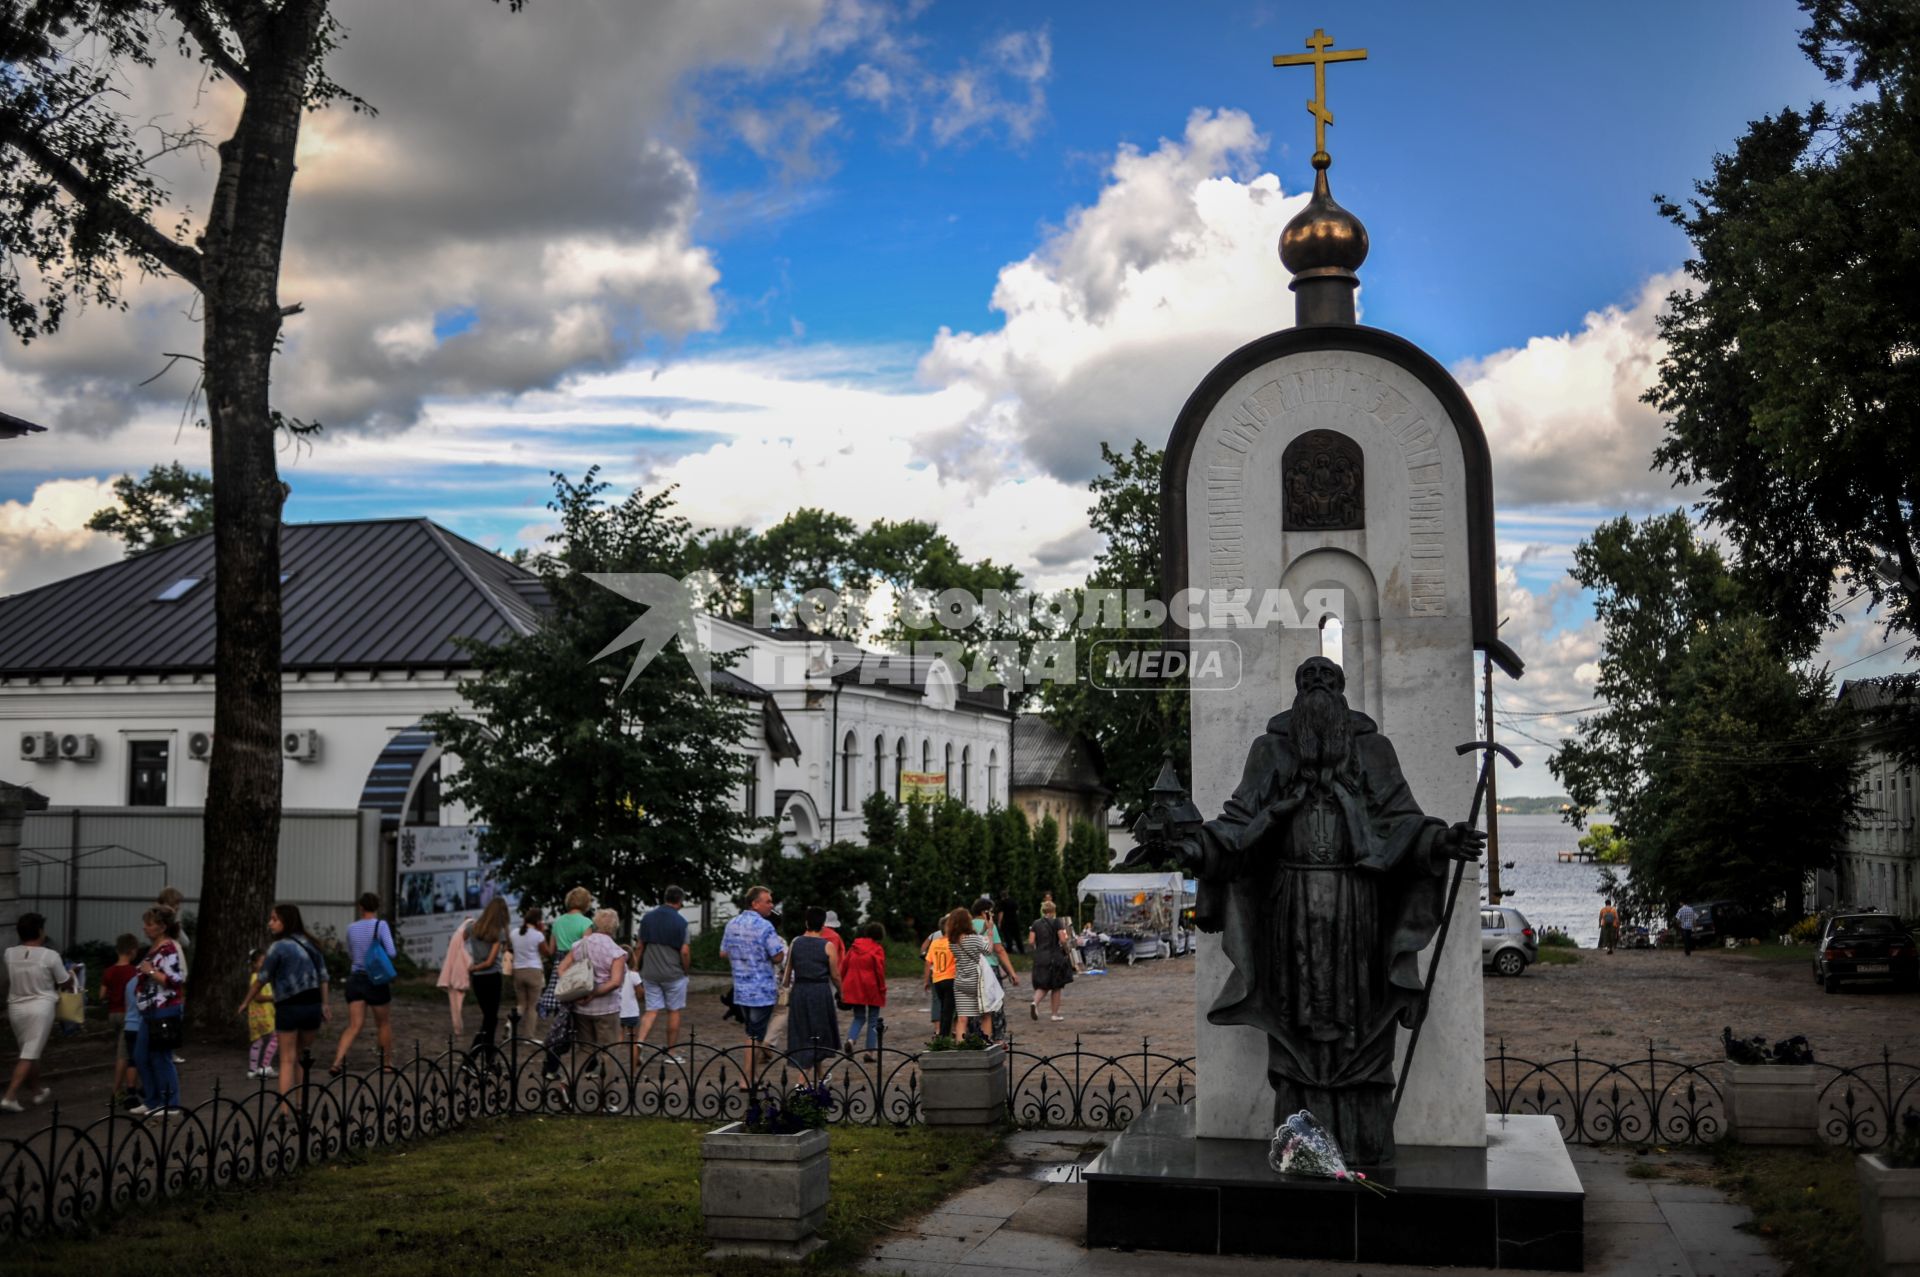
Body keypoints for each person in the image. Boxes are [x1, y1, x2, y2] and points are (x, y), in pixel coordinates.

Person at [239, 904, 331, 1108]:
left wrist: (246, 1001)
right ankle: (300, 1104)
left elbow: (261, 978)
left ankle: (283, 1110)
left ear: (286, 921)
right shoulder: (312, 944)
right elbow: (324, 977)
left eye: (274, 919)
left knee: (287, 1059)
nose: (269, 923)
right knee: (302, 1056)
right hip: (311, 1006)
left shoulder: (278, 947)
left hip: (288, 1008)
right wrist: (324, 1004)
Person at [3, 912, 76, 1113]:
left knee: (29, 1051)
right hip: (41, 1008)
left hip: (16, 1007)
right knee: (29, 1053)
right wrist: (71, 974)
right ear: (40, 931)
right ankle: (10, 1096)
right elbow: (64, 982)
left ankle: (37, 1090)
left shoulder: (9, 953)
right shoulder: (50, 955)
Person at [720, 886, 786, 1090]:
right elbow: (777, 955)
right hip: (761, 990)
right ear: (755, 903)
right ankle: (747, 1078)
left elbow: (723, 952)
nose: (771, 905)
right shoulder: (765, 927)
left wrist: (742, 956)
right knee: (754, 1035)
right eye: (768, 901)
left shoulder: (732, 924)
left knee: (751, 1032)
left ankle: (753, 1075)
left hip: (741, 988)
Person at [329, 892, 397, 1075]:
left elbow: (350, 954)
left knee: (354, 1025)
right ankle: (387, 1064)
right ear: (377, 907)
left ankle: (337, 1061)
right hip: (376, 980)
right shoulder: (380, 925)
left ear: (360, 907)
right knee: (383, 1023)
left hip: (355, 979)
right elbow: (391, 952)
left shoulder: (351, 928)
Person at [554, 909, 627, 1071]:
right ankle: (605, 1093)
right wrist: (593, 993)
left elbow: (561, 969)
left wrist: (576, 991)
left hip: (581, 1007)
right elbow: (615, 982)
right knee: (609, 1051)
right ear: (615, 926)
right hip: (607, 1009)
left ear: (595, 923)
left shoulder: (580, 945)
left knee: (585, 1049)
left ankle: (566, 1082)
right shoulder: (616, 952)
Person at [132, 905, 187, 1116]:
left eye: (150, 924)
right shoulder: (155, 948)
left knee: (161, 1056)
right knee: (141, 1055)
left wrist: (151, 971)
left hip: (165, 1009)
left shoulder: (168, 949)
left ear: (162, 927)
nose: (145, 928)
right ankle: (153, 1099)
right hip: (150, 1010)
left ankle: (170, 1103)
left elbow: (175, 980)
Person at [535, 887, 595, 1078]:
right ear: (586, 903)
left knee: (565, 1018)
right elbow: (586, 949)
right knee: (580, 1018)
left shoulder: (558, 921)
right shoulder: (587, 922)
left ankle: (554, 1065)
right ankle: (588, 1064)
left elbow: (551, 950)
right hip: (578, 971)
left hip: (559, 971)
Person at [784, 907, 842, 1083]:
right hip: (819, 992)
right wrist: (842, 992)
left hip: (800, 991)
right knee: (818, 1034)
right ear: (823, 925)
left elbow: (788, 972)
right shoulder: (828, 946)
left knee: (804, 1032)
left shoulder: (795, 943)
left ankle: (822, 1076)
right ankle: (801, 1082)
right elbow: (835, 975)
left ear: (806, 923)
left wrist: (786, 986)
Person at [633, 886, 691, 1064]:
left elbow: (640, 946)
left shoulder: (648, 919)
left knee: (651, 1010)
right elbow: (685, 951)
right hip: (673, 973)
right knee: (673, 1011)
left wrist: (635, 968)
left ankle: (639, 1043)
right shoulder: (681, 923)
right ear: (679, 901)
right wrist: (686, 970)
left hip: (650, 972)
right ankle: (671, 1053)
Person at [465, 897, 510, 1067]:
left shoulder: (472, 927)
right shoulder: (498, 932)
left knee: (489, 1019)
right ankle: (471, 1059)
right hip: (492, 977)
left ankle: (489, 1059)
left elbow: (458, 941)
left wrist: (469, 964)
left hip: (478, 980)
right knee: (490, 1019)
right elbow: (491, 961)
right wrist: (476, 967)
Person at [840, 922, 888, 1060]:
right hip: (871, 986)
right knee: (873, 1019)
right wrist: (882, 988)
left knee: (859, 1017)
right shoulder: (877, 949)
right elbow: (879, 971)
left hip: (854, 985)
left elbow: (844, 965)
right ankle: (869, 1052)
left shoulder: (854, 947)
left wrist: (842, 985)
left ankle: (851, 1040)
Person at [101, 934, 137, 1100]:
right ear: (132, 951)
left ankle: (121, 1085)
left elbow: (101, 995)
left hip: (112, 1014)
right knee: (124, 1054)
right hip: (127, 1014)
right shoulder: (133, 972)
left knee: (120, 1048)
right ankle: (116, 1090)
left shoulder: (108, 971)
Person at [1027, 900, 1074, 1022]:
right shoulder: (1057, 922)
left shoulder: (1036, 923)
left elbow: (1031, 941)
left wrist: (1037, 950)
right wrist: (1066, 950)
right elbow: (1063, 939)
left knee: (1043, 983)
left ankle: (1034, 1002)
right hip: (1054, 956)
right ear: (1053, 911)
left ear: (1043, 911)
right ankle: (1054, 1014)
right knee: (1056, 986)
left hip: (1040, 957)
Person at [510, 906, 551, 1038]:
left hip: (518, 970)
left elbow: (509, 948)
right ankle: (529, 1036)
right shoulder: (538, 935)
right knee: (533, 1006)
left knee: (521, 1004)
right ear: (538, 921)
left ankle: (509, 1024)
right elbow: (547, 952)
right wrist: (543, 932)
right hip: (533, 970)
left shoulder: (514, 933)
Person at [244, 948, 278, 1079]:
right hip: (264, 1015)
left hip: (256, 1015)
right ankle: (265, 1066)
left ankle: (252, 1070)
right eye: (262, 962)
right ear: (254, 964)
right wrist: (273, 997)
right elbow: (257, 997)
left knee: (257, 1041)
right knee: (275, 1038)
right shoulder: (258, 978)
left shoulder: (258, 977)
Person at [924, 921, 957, 1039]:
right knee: (949, 1009)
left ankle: (942, 1033)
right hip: (950, 978)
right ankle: (944, 1036)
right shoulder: (953, 943)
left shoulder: (935, 943)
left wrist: (926, 980)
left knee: (943, 1007)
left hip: (937, 980)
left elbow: (928, 962)